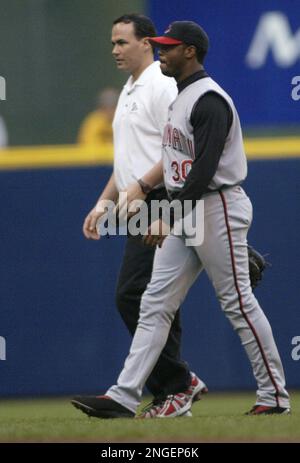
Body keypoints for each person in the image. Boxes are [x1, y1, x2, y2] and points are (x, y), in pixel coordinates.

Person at [72, 21, 290, 419]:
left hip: (215, 203)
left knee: (237, 303)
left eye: (169, 48)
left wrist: (167, 215)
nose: (162, 53)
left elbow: (204, 170)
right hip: (188, 208)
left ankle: (274, 395)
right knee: (154, 302)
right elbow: (178, 169)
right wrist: (149, 197)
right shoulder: (181, 97)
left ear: (190, 51)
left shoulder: (209, 99)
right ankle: (124, 395)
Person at [73, 14, 208, 419]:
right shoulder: (129, 91)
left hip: (163, 199)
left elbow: (179, 147)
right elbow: (125, 161)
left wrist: (148, 190)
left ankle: (178, 384)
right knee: (151, 297)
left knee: (138, 294)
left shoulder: (161, 86)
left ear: (146, 43)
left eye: (122, 42)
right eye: (112, 43)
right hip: (138, 203)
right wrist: (103, 203)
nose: (115, 50)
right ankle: (177, 386)